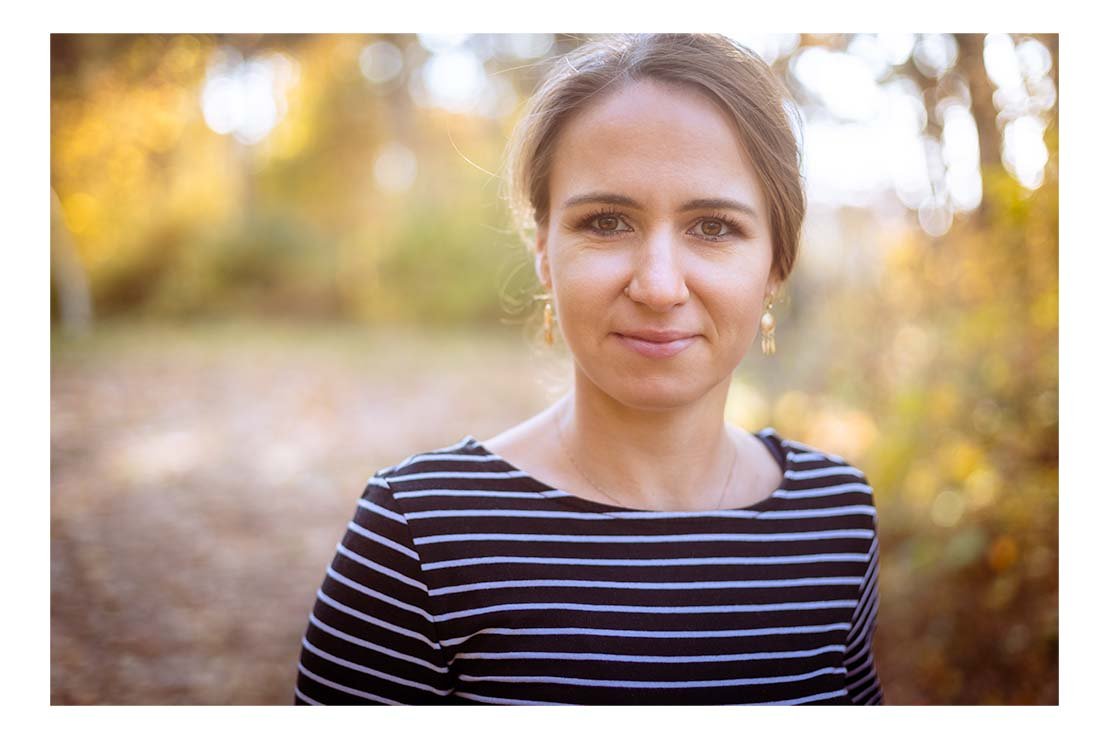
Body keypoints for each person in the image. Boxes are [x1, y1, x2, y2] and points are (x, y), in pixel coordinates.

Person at [294, 33, 883, 706]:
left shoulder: (835, 519)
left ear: (775, 264)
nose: (658, 286)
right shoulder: (419, 535)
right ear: (544, 250)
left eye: (713, 227)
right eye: (606, 222)